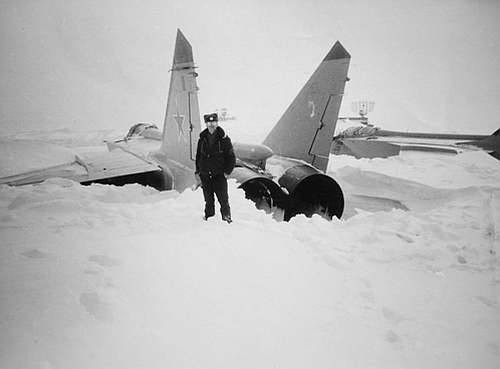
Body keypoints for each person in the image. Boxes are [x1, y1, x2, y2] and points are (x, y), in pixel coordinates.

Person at [195, 113, 236, 223]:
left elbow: (231, 158)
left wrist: (226, 173)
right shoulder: (202, 139)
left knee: (223, 201)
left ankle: (227, 220)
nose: (211, 125)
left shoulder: (224, 140)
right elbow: (198, 156)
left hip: (219, 176)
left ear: (217, 123)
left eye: (213, 122)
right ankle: (209, 220)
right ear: (206, 124)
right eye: (209, 123)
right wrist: (198, 171)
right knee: (208, 201)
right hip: (205, 176)